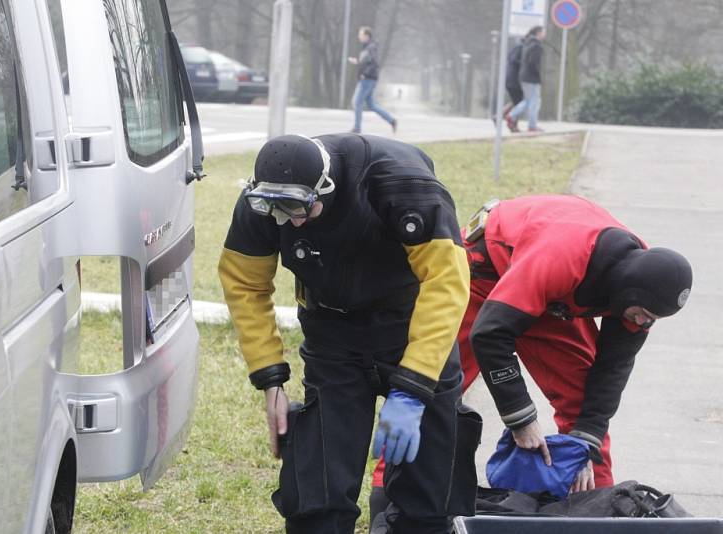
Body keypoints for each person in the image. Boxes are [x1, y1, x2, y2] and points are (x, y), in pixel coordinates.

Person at [370, 195, 692, 519]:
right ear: (628, 291)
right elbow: (490, 334)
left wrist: (586, 443)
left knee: (584, 408)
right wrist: (521, 419)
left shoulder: (646, 288)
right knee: (433, 386)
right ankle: (388, 501)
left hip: (557, 296)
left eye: (648, 318)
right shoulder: (563, 257)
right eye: (641, 315)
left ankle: (598, 513)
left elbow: (611, 371)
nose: (641, 323)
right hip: (489, 275)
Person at [218, 133, 473, 533]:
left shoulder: (401, 183)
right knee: (317, 499)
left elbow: (446, 282)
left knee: (431, 500)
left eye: (302, 208)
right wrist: (271, 379)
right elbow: (245, 284)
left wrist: (414, 387)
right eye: (281, 212)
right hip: (332, 334)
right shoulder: (262, 205)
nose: (293, 221)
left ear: (327, 187)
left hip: (410, 325)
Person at [348, 26, 397, 134]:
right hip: (369, 79)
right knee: (371, 105)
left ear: (366, 36)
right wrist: (358, 62)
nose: (359, 37)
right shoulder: (368, 48)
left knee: (357, 102)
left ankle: (357, 128)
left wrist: (364, 74)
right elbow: (367, 62)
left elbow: (374, 63)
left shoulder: (371, 48)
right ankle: (392, 120)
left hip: (367, 79)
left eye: (360, 34)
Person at [507, 25, 544, 133]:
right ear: (538, 33)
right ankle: (531, 126)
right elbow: (533, 63)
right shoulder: (536, 46)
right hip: (531, 77)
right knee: (534, 101)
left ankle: (512, 115)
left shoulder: (527, 43)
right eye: (543, 32)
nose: (544, 34)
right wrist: (538, 75)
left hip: (523, 76)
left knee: (529, 101)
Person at [498, 35, 525, 133]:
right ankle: (513, 125)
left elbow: (511, 58)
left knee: (516, 101)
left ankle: (499, 116)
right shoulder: (520, 48)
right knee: (519, 103)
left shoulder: (517, 47)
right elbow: (513, 60)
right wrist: (524, 63)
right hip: (514, 80)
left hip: (511, 79)